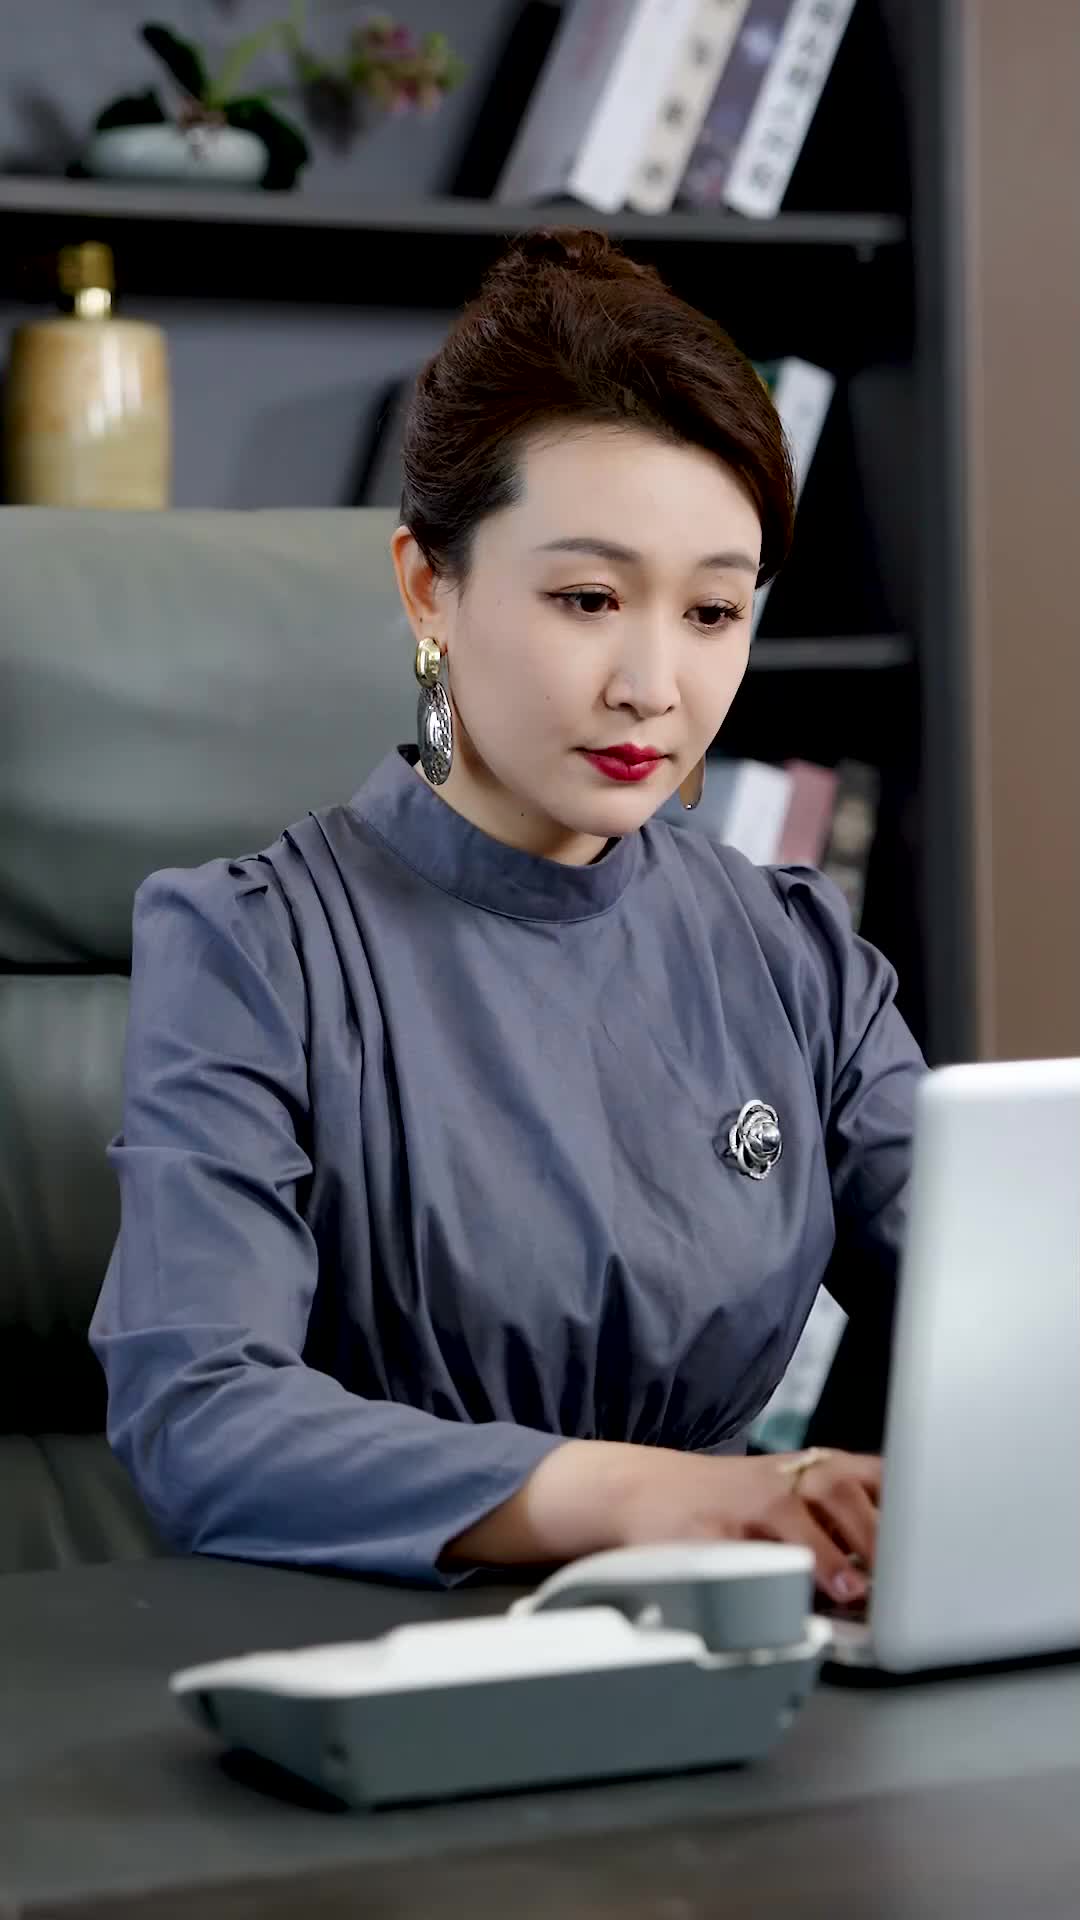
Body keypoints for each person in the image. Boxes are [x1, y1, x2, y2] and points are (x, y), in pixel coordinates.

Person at [90, 227, 924, 1608]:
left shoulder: (793, 953)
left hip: (739, 1651)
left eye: (714, 611)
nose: (653, 683)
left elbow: (1009, 1297)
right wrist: (663, 1496)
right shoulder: (252, 946)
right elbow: (202, 1418)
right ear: (431, 585)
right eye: (589, 598)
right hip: (381, 1659)